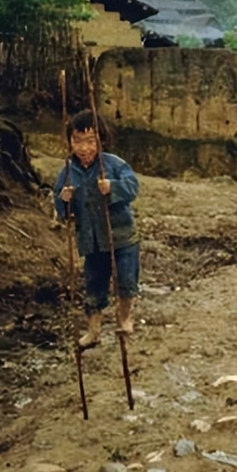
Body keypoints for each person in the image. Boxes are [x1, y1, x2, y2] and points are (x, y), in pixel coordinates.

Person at [54, 110, 140, 348]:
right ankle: (94, 331)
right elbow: (60, 203)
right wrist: (65, 199)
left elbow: (133, 187)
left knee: (125, 279)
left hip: (121, 236)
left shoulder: (113, 164)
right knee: (94, 285)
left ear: (100, 140)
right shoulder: (68, 171)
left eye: (90, 141)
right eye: (77, 141)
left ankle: (124, 318)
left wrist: (112, 187)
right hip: (91, 240)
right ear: (70, 141)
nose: (83, 148)